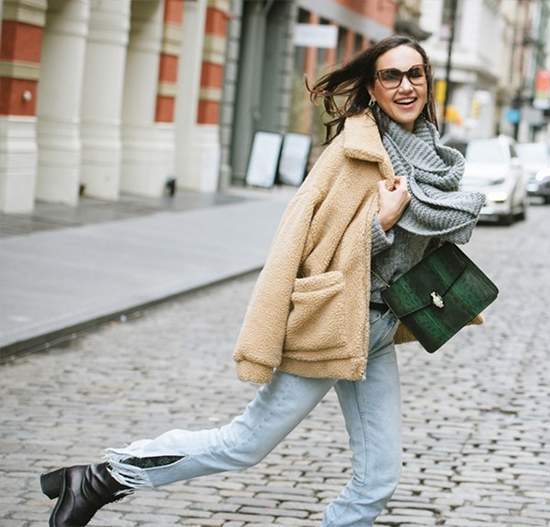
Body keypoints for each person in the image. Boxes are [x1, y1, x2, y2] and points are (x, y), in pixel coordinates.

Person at [40, 36, 485, 527]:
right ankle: (103, 478)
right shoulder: (353, 153)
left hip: (375, 331)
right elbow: (305, 245)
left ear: (428, 81)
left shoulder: (435, 161)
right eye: (391, 76)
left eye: (415, 74)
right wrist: (379, 225)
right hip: (329, 325)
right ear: (372, 88)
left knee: (378, 478)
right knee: (245, 443)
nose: (406, 86)